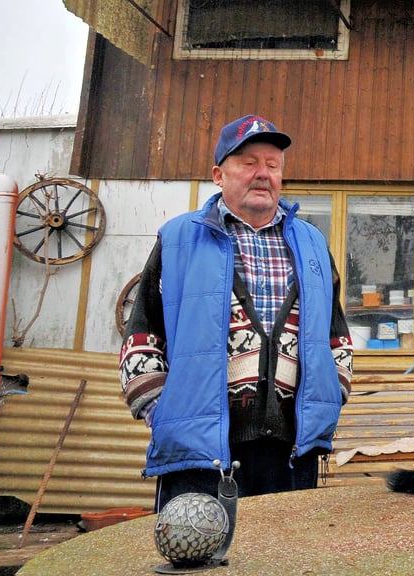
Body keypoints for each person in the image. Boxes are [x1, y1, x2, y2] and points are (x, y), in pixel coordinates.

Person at [119, 114, 353, 509]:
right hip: (199, 456)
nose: (263, 174)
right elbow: (142, 338)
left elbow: (337, 338)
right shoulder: (178, 240)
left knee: (286, 564)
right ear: (218, 174)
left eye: (273, 165)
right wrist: (168, 416)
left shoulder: (312, 243)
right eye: (248, 163)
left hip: (293, 452)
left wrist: (329, 399)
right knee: (200, 565)